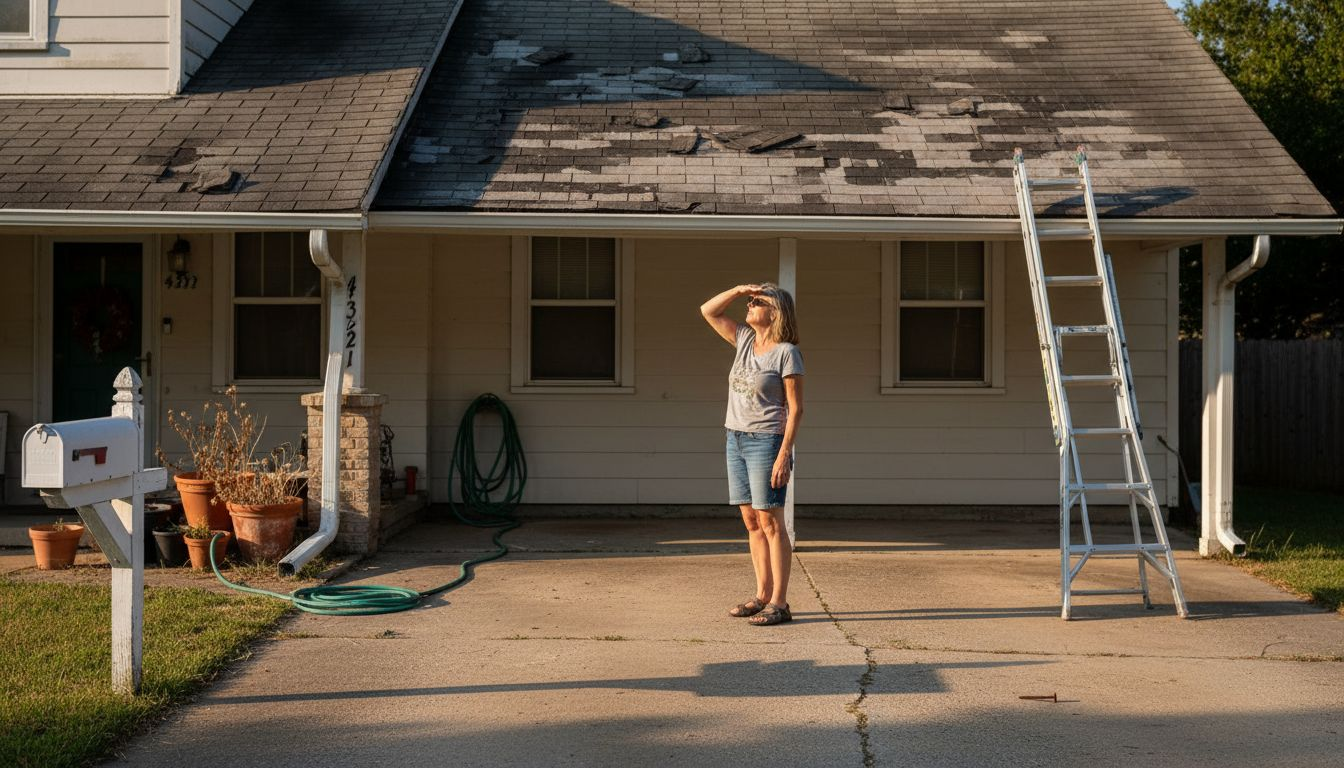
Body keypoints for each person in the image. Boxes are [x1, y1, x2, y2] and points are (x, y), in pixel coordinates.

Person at [699, 282, 804, 627]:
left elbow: (796, 409)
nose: (750, 304)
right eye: (751, 300)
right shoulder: (744, 339)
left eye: (758, 301)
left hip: (766, 442)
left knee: (771, 522)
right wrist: (738, 290)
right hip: (735, 438)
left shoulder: (786, 353)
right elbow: (708, 310)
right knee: (751, 522)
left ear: (776, 313)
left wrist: (784, 453)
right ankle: (762, 595)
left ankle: (780, 603)